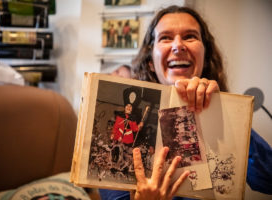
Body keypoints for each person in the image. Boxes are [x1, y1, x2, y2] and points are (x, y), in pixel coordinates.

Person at [99, 5, 272, 200]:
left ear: (205, 58)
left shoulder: (224, 114)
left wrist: (223, 110)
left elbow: (267, 179)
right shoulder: (125, 119)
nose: (178, 45)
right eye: (165, 37)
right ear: (150, 62)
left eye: (190, 36)